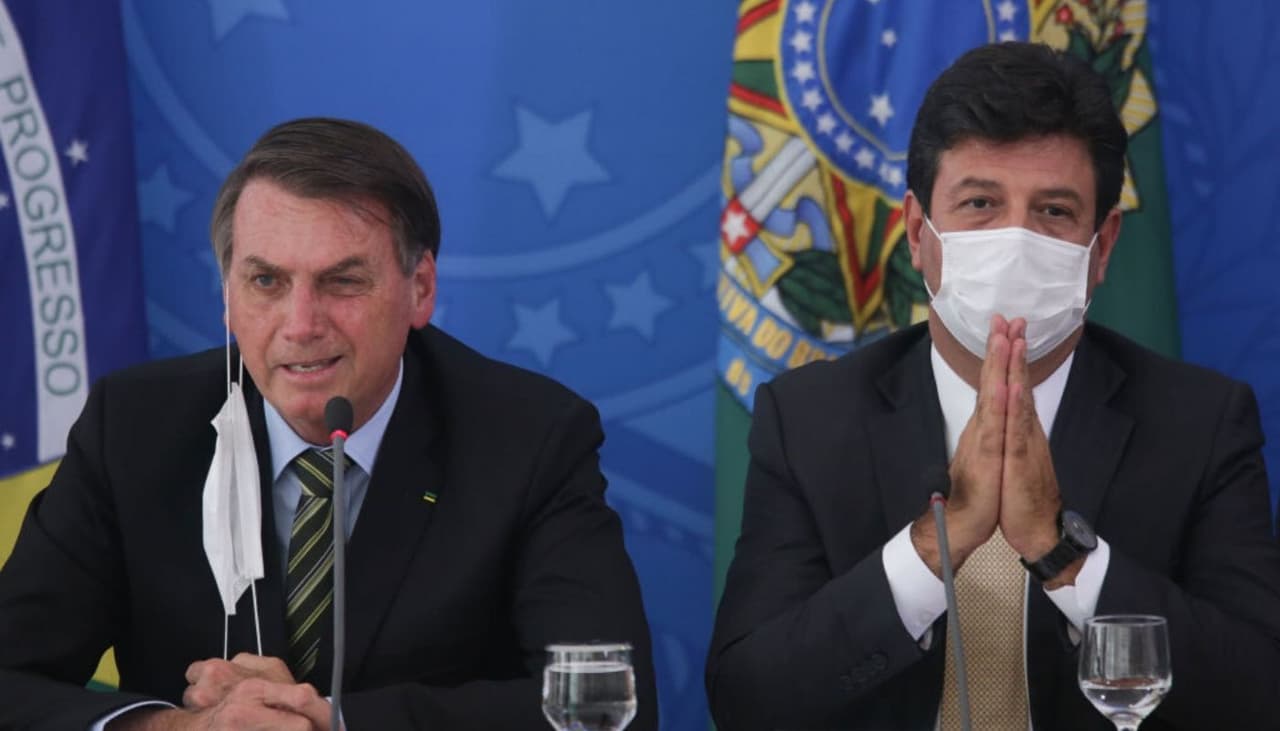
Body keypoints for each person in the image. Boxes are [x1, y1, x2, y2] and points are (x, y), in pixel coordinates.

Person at [0, 117, 658, 730]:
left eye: (342, 281)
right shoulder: (134, 427)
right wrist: (178, 726)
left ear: (420, 288)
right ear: (227, 294)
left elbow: (607, 703)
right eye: (266, 281)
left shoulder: (528, 436)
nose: (301, 325)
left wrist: (330, 721)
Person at [706, 42, 1280, 730]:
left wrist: (1063, 555)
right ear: (917, 233)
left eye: (1054, 211)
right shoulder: (809, 420)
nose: (1015, 241)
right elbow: (748, 700)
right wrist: (932, 548)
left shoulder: (1201, 422)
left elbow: (1258, 696)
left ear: (1101, 248)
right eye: (980, 202)